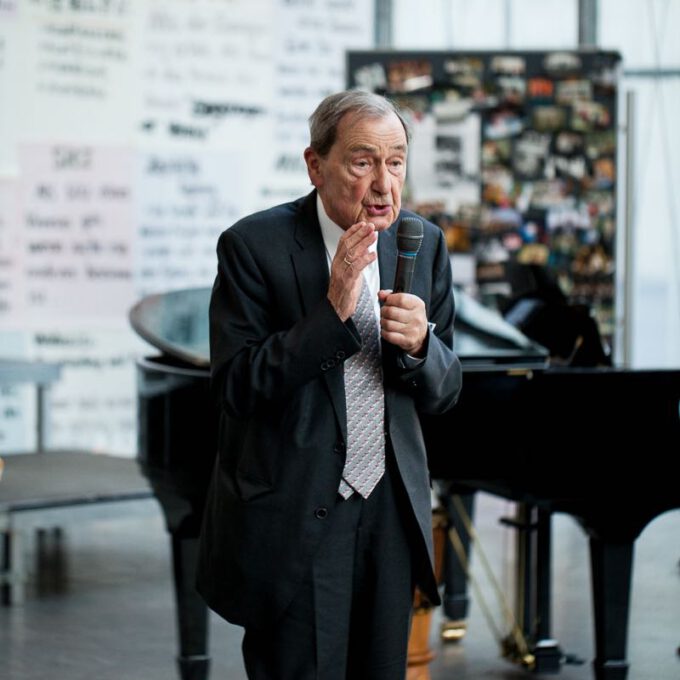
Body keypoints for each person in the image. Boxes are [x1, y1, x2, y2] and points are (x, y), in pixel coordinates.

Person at [196, 90, 462, 680]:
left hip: (390, 511)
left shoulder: (424, 243)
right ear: (316, 165)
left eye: (396, 162)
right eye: (363, 162)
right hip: (296, 509)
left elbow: (446, 391)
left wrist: (422, 346)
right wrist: (329, 315)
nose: (383, 185)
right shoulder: (253, 246)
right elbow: (236, 387)